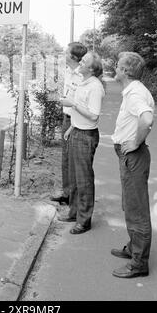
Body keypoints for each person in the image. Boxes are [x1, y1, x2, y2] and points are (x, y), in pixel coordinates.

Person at [111, 52, 154, 278]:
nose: (115, 68)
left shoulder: (135, 93)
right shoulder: (134, 91)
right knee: (131, 205)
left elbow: (147, 119)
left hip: (134, 157)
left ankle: (139, 264)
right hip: (131, 157)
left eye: (118, 65)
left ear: (126, 71)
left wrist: (136, 142)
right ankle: (133, 248)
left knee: (137, 210)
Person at [58, 51, 105, 234]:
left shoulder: (95, 87)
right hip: (77, 131)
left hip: (86, 136)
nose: (80, 63)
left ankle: (84, 221)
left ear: (91, 69)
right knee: (75, 178)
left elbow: (93, 115)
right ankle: (74, 212)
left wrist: (73, 104)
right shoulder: (84, 82)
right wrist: (72, 127)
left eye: (84, 61)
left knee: (84, 179)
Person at [50, 42, 87, 205]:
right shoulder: (67, 72)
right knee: (65, 159)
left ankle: (74, 198)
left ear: (72, 57)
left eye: (66, 52)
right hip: (66, 118)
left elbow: (82, 103)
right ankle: (67, 193)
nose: (63, 55)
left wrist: (73, 125)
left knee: (74, 161)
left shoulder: (82, 76)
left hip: (76, 122)